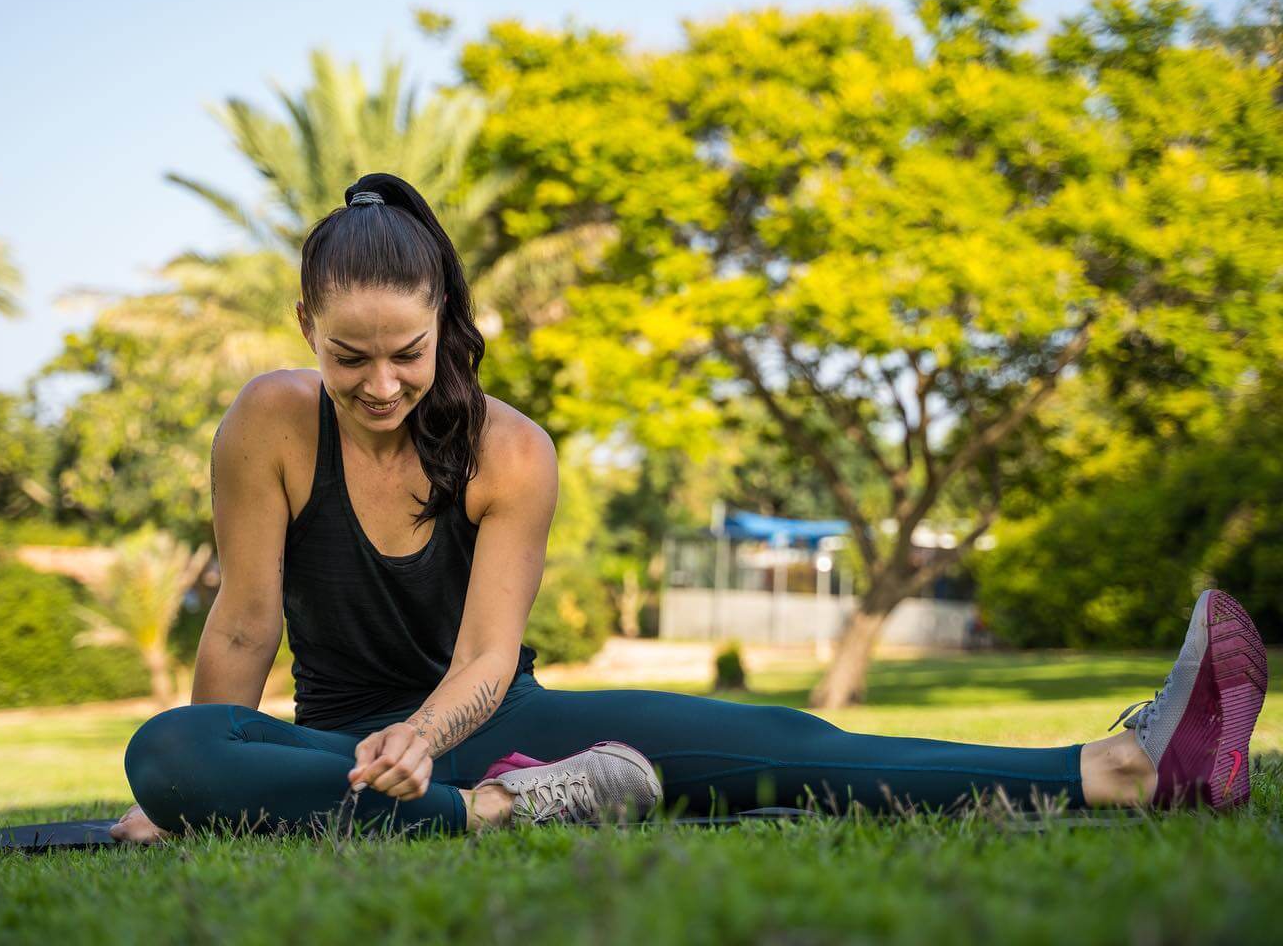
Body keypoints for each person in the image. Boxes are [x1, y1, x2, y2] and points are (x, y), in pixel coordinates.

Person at [111, 173, 1270, 843]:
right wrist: (189, 799)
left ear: (442, 319)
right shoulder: (269, 418)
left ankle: (1115, 768)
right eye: (346, 356)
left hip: (487, 724)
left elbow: (488, 654)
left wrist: (425, 740)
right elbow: (246, 623)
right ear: (304, 326)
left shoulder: (510, 449)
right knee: (167, 750)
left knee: (788, 746)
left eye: (404, 354)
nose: (377, 385)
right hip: (334, 748)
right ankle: (506, 815)